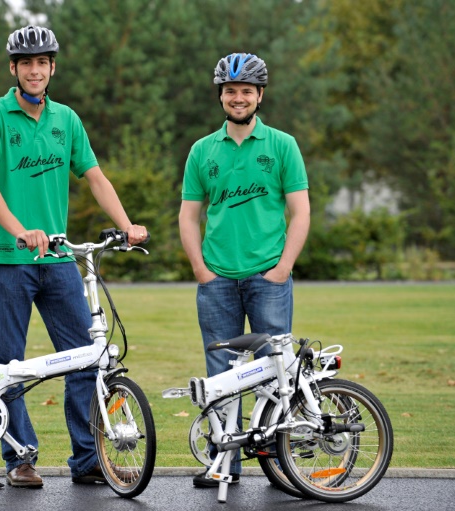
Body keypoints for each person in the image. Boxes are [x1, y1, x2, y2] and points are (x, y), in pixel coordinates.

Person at [0, 25, 148, 489]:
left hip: (60, 260)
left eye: (42, 62)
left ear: (52, 68)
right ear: (13, 68)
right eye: (26, 63)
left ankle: (88, 460)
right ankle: (20, 457)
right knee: (11, 365)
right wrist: (19, 230)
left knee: (87, 358)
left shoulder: (66, 119)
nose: (34, 70)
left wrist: (127, 225)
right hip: (10, 259)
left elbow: (95, 177)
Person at [178, 52, 310, 487]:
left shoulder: (282, 145)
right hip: (217, 278)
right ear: (220, 96)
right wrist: (200, 268)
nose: (238, 98)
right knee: (221, 375)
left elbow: (300, 212)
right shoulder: (202, 151)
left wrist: (283, 267)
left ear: (260, 96)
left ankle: (278, 463)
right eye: (230, 91)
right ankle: (224, 466)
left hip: (267, 277)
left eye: (246, 91)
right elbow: (188, 215)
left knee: (277, 373)